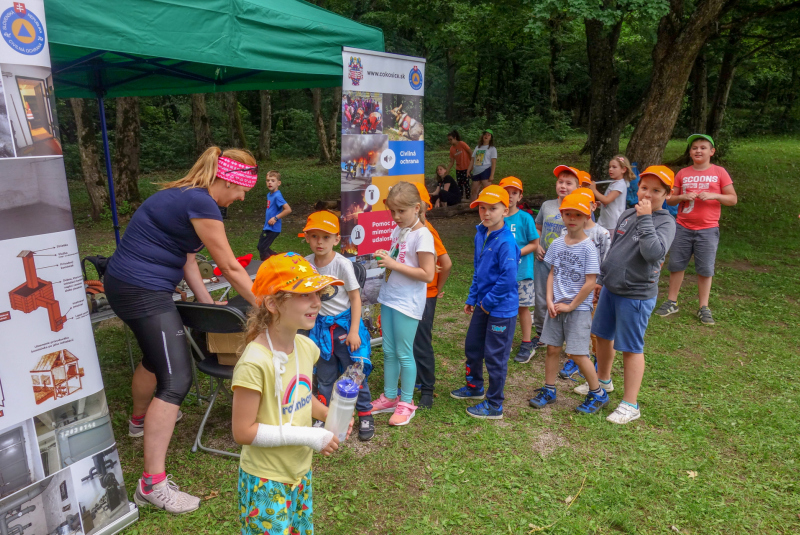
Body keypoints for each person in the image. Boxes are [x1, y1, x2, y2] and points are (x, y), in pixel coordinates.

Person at [105, 146, 259, 513]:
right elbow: (232, 268)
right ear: (227, 179)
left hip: (128, 284)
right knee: (176, 380)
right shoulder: (202, 203)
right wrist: (266, 307)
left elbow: (188, 257)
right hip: (142, 289)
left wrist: (205, 301)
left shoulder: (187, 198)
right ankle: (151, 485)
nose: (239, 199)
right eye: (241, 191)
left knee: (156, 358)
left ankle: (139, 422)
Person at [231, 253, 351, 535]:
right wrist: (310, 436)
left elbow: (300, 397)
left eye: (318, 293)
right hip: (265, 479)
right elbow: (243, 432)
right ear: (273, 304)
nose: (317, 302)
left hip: (299, 471)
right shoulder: (254, 362)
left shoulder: (306, 347)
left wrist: (330, 415)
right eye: (305, 294)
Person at [592, 166, 677, 424]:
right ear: (636, 187)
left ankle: (631, 404)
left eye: (656, 190)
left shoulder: (665, 222)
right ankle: (603, 382)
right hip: (611, 288)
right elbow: (615, 249)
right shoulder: (628, 214)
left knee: (630, 347)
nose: (647, 194)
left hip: (636, 293)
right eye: (644, 188)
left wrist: (646, 218)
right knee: (602, 336)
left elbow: (653, 253)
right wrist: (601, 280)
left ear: (667, 194)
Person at [528, 193, 606, 413]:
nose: (572, 218)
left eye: (577, 215)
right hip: (557, 307)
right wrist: (550, 300)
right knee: (552, 349)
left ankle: (597, 393)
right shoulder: (558, 243)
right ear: (562, 215)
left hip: (578, 309)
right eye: (568, 214)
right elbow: (552, 272)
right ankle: (549, 389)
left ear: (586, 216)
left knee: (578, 354)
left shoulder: (588, 247)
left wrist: (571, 305)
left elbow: (591, 282)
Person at [302, 212, 375, 441]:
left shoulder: (342, 264)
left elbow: (355, 299)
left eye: (326, 236)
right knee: (324, 377)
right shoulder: (305, 264)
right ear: (306, 238)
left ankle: (365, 413)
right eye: (314, 236)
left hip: (344, 329)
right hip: (320, 330)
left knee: (354, 374)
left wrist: (354, 331)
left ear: (336, 239)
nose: (320, 242)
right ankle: (324, 417)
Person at [451, 185, 520, 420]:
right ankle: (475, 387)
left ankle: (494, 404)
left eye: (493, 208)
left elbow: (509, 279)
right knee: (472, 347)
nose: (487, 213)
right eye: (482, 208)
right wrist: (473, 298)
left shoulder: (506, 242)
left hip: (500, 308)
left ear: (505, 209)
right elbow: (479, 271)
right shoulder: (481, 233)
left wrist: (487, 302)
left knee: (495, 356)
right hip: (483, 304)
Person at [371, 182, 436, 426]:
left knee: (404, 353)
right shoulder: (399, 231)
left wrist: (393, 264)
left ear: (417, 208)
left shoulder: (423, 235)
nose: (396, 217)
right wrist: (387, 258)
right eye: (392, 212)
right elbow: (398, 259)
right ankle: (389, 397)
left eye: (401, 211)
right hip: (390, 297)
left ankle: (406, 403)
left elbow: (428, 274)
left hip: (407, 303)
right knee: (388, 351)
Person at [655, 134, 737, 325]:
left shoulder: (719, 172)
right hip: (682, 226)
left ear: (712, 151)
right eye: (694, 148)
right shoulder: (683, 173)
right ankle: (672, 301)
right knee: (676, 265)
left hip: (708, 229)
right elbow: (670, 199)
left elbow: (732, 199)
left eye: (703, 147)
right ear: (690, 152)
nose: (698, 151)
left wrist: (714, 195)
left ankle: (703, 307)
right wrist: (683, 195)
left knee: (705, 268)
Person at [557, 187, 611, 380]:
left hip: (593, 289)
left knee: (593, 327)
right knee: (574, 326)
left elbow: (606, 260)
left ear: (592, 207)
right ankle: (574, 356)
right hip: (571, 288)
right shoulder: (565, 231)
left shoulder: (601, 234)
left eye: (583, 204)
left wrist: (600, 284)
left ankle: (595, 358)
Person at [411, 182, 452, 409]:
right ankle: (416, 380)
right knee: (412, 340)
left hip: (425, 294)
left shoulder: (427, 231)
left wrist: (436, 289)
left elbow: (446, 264)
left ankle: (427, 388)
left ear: (420, 207)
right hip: (411, 293)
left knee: (421, 342)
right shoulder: (407, 230)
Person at [533, 166, 580, 351]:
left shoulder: (579, 208)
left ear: (577, 186)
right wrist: (537, 244)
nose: (563, 186)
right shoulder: (547, 206)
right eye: (560, 182)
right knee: (541, 295)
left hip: (566, 264)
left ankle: (565, 334)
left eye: (569, 183)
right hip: (543, 260)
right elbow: (537, 227)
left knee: (564, 298)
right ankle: (540, 333)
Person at [498, 177, 541, 364]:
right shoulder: (495, 217)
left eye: (514, 193)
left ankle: (526, 343)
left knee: (522, 308)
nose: (509, 196)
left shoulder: (525, 218)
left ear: (520, 196)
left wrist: (515, 253)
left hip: (521, 272)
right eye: (505, 192)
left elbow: (534, 243)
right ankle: (500, 340)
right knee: (500, 307)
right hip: (499, 273)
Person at [590, 155, 635, 231]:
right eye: (609, 167)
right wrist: (600, 204)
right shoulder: (613, 183)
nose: (610, 169)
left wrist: (593, 190)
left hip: (612, 224)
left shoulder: (620, 184)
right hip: (604, 222)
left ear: (623, 169)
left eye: (614, 167)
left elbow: (607, 200)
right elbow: (610, 202)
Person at [258, 170, 292, 261]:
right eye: (268, 180)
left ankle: (268, 265)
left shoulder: (277, 196)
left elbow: (288, 209)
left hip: (273, 227)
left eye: (273, 181)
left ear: (279, 183)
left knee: (262, 248)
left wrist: (276, 218)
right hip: (267, 226)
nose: (270, 182)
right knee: (260, 247)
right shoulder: (269, 195)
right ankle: (278, 260)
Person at [466, 130, 497, 201]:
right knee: (474, 191)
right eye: (485, 134)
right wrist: (468, 170)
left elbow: (494, 162)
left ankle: (489, 205)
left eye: (488, 135)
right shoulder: (478, 147)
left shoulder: (492, 149)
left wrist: (492, 175)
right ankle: (473, 206)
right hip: (476, 171)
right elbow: (472, 160)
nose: (486, 136)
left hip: (485, 170)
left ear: (491, 138)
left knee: (487, 191)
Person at [446, 130, 472, 200]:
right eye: (449, 140)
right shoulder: (451, 149)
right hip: (458, 169)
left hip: (466, 167)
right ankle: (459, 199)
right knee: (459, 185)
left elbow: (470, 152)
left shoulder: (462, 144)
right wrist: (447, 169)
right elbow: (451, 161)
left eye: (451, 139)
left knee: (466, 185)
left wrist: (471, 164)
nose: (450, 141)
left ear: (455, 138)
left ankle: (468, 199)